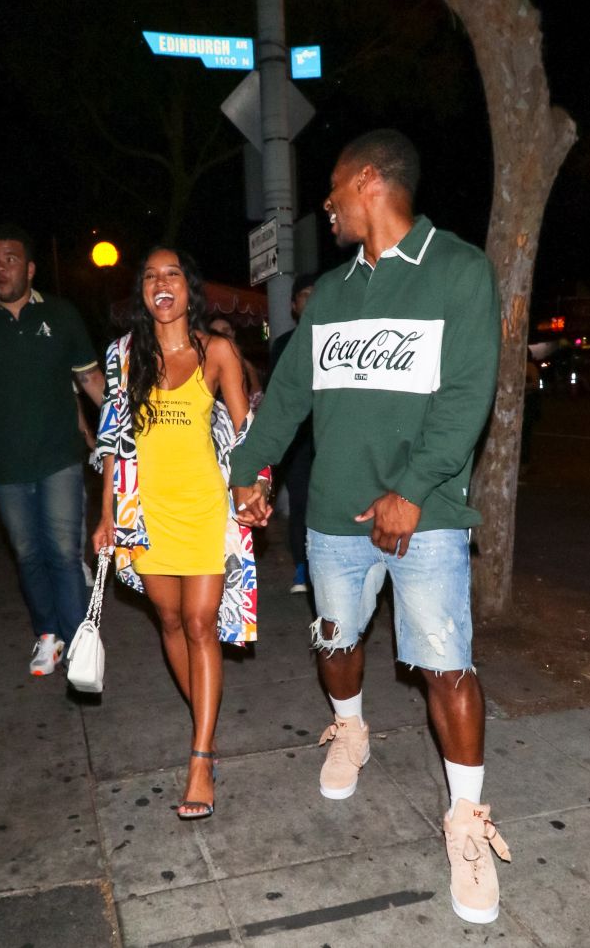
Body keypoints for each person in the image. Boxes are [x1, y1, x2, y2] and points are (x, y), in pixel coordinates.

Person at [231, 130, 509, 924]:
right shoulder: (333, 295)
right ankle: (349, 729)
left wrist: (414, 489)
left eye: (332, 190)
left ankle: (465, 822)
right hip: (333, 517)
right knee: (336, 641)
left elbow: (467, 394)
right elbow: (283, 399)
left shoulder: (457, 271)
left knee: (446, 664)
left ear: (368, 181)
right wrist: (250, 472)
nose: (326, 205)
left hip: (429, 516)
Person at [92, 246, 266, 821]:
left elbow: (246, 432)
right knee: (168, 620)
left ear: (188, 289)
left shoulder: (216, 351)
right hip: (147, 516)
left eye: (172, 274)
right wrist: (104, 517)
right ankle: (207, 724)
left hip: (204, 513)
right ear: (142, 292)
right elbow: (114, 447)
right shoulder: (122, 357)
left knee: (199, 624)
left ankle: (199, 757)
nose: (160, 283)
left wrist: (255, 490)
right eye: (150, 276)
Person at [0, 223, 105, 677]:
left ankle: (78, 644)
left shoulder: (61, 314)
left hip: (59, 457)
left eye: (10, 258)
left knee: (63, 552)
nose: (0, 267)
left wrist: (125, 428)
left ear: (30, 268)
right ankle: (47, 634)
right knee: (29, 553)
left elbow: (91, 380)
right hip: (5, 464)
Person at [268, 273, 317, 594]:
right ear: (293, 304)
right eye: (304, 295)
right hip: (298, 440)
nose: (311, 300)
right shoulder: (284, 344)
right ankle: (302, 567)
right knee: (301, 502)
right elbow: (278, 397)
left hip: (331, 437)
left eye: (317, 293)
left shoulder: (339, 336)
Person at [209, 315, 263, 409]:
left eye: (225, 331)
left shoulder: (247, 366)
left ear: (233, 333)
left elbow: (257, 402)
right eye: (215, 333)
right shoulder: (202, 365)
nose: (221, 336)